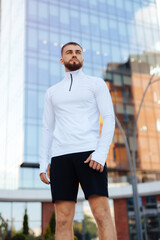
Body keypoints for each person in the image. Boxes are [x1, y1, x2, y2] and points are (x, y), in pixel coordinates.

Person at [39, 42, 117, 240]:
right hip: (60, 158)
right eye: (69, 52)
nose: (74, 55)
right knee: (63, 219)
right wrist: (43, 163)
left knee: (101, 214)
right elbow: (47, 128)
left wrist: (100, 154)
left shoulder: (96, 83)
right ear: (61, 59)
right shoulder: (52, 92)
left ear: (83, 57)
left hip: (90, 155)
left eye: (78, 52)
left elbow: (108, 118)